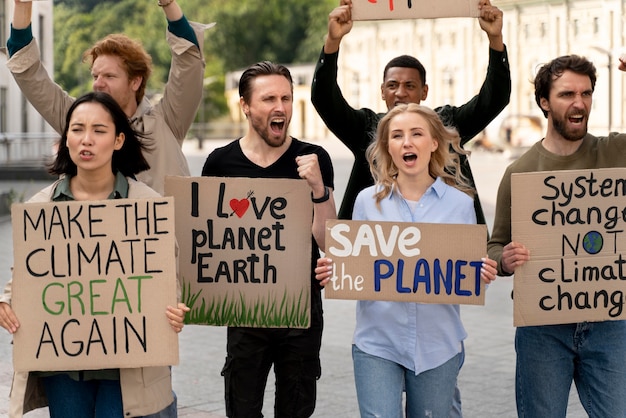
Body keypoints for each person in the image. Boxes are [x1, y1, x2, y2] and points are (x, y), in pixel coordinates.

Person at [0, 92, 190, 417]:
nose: (86, 140)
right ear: (66, 139)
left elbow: (165, 277)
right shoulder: (39, 209)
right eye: (77, 129)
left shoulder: (147, 206)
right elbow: (29, 275)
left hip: (127, 366)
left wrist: (174, 308)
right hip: (63, 367)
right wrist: (6, 300)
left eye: (99, 131)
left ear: (118, 140)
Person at [315, 103, 497, 417]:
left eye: (416, 134)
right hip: (377, 343)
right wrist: (337, 268)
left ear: (434, 143)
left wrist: (482, 272)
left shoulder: (461, 204)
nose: (407, 142)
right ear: (388, 146)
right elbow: (356, 267)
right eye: (397, 136)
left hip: (438, 346)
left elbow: (465, 270)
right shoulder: (366, 202)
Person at [487, 54, 626, 417]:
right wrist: (505, 259)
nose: (579, 103)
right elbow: (495, 245)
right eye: (567, 94)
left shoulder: (615, 151)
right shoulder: (520, 172)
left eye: (586, 93)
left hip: (609, 321)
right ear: (545, 102)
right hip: (543, 327)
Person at [201, 61, 336, 418]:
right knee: (241, 410)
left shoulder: (314, 159)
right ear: (245, 106)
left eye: (286, 98)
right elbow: (210, 243)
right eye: (269, 99)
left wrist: (319, 190)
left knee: (296, 408)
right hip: (245, 312)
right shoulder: (220, 163)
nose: (281, 107)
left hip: (300, 311)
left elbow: (330, 243)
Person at [311, 0, 510, 223]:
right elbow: (326, 100)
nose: (400, 93)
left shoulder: (447, 126)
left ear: (424, 92)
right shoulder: (366, 129)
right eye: (393, 85)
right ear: (382, 91)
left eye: (410, 86)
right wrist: (333, 42)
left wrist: (495, 40)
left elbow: (493, 100)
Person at [7, 0, 208, 195]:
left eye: (109, 76)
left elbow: (188, 60)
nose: (98, 84)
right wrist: (22, 5)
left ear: (135, 82)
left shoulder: (168, 119)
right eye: (95, 76)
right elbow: (28, 72)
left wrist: (168, 3)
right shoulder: (76, 118)